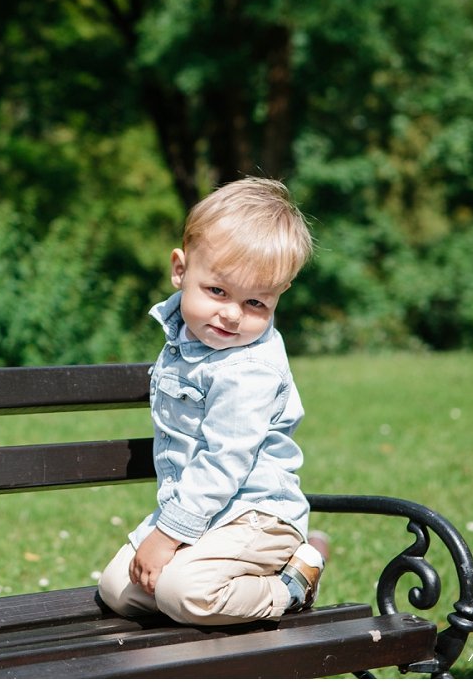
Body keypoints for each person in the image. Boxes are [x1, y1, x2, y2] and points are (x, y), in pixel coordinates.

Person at [97, 176, 327, 626]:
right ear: (180, 270)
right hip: (202, 512)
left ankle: (292, 583)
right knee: (118, 589)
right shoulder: (186, 339)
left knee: (184, 592)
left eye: (256, 303)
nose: (232, 314)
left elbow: (224, 463)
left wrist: (168, 535)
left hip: (256, 517)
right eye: (217, 291)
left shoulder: (248, 369)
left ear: (278, 296)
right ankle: (208, 591)